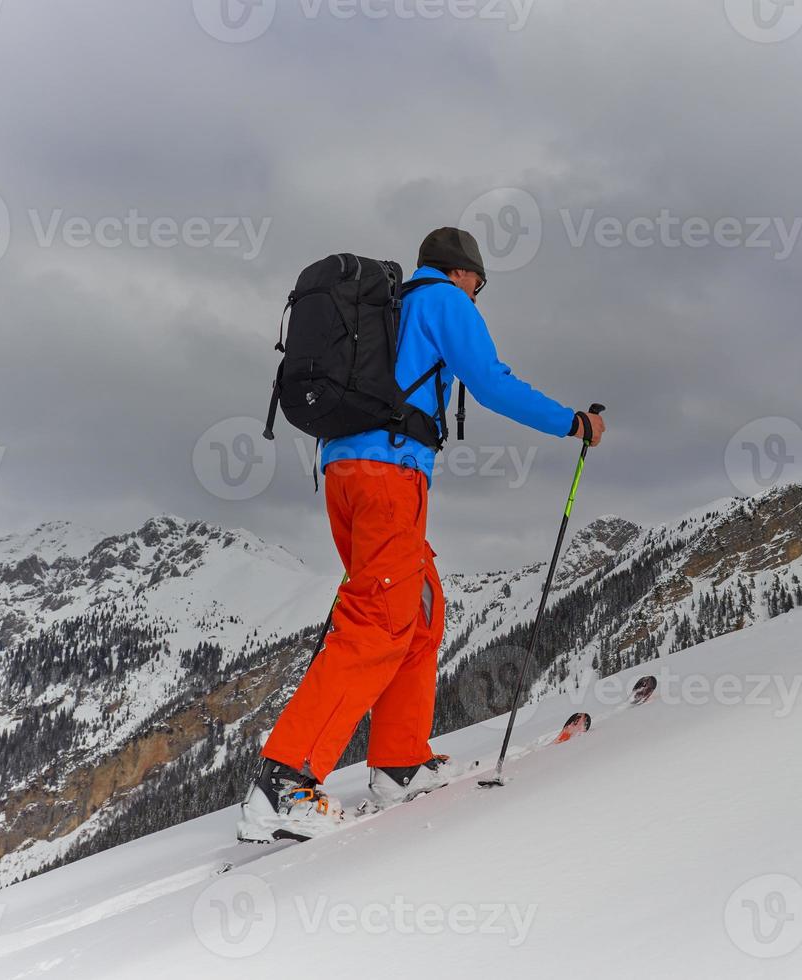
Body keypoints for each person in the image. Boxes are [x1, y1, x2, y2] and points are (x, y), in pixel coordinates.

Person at [238, 227, 606, 842]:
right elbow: (490, 381)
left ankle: (400, 762)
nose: (477, 295)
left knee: (421, 604)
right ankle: (285, 784)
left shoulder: (392, 305)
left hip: (346, 472)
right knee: (380, 617)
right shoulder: (442, 301)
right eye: (479, 284)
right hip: (387, 473)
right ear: (464, 273)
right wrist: (573, 423)